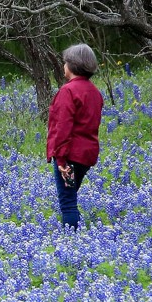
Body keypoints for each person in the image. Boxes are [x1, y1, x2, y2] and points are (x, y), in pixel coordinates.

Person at [46, 44, 104, 231]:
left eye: (65, 63)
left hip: (69, 156)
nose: (63, 66)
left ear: (71, 66)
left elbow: (62, 127)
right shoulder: (94, 92)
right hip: (86, 156)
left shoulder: (68, 91)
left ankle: (73, 241)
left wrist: (61, 159)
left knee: (68, 202)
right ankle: (77, 238)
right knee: (70, 194)